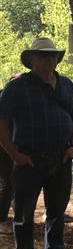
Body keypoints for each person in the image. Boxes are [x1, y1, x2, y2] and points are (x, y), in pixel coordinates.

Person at [0, 37, 73, 249]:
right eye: (44, 55)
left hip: (61, 158)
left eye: (53, 55)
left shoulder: (66, 84)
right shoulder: (16, 87)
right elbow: (2, 123)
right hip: (29, 161)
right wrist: (14, 154)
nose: (50, 59)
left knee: (57, 209)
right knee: (24, 212)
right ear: (32, 59)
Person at [0, 73, 20, 235]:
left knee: (12, 181)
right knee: (7, 182)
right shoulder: (4, 98)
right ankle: (1, 220)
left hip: (17, 144)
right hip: (4, 146)